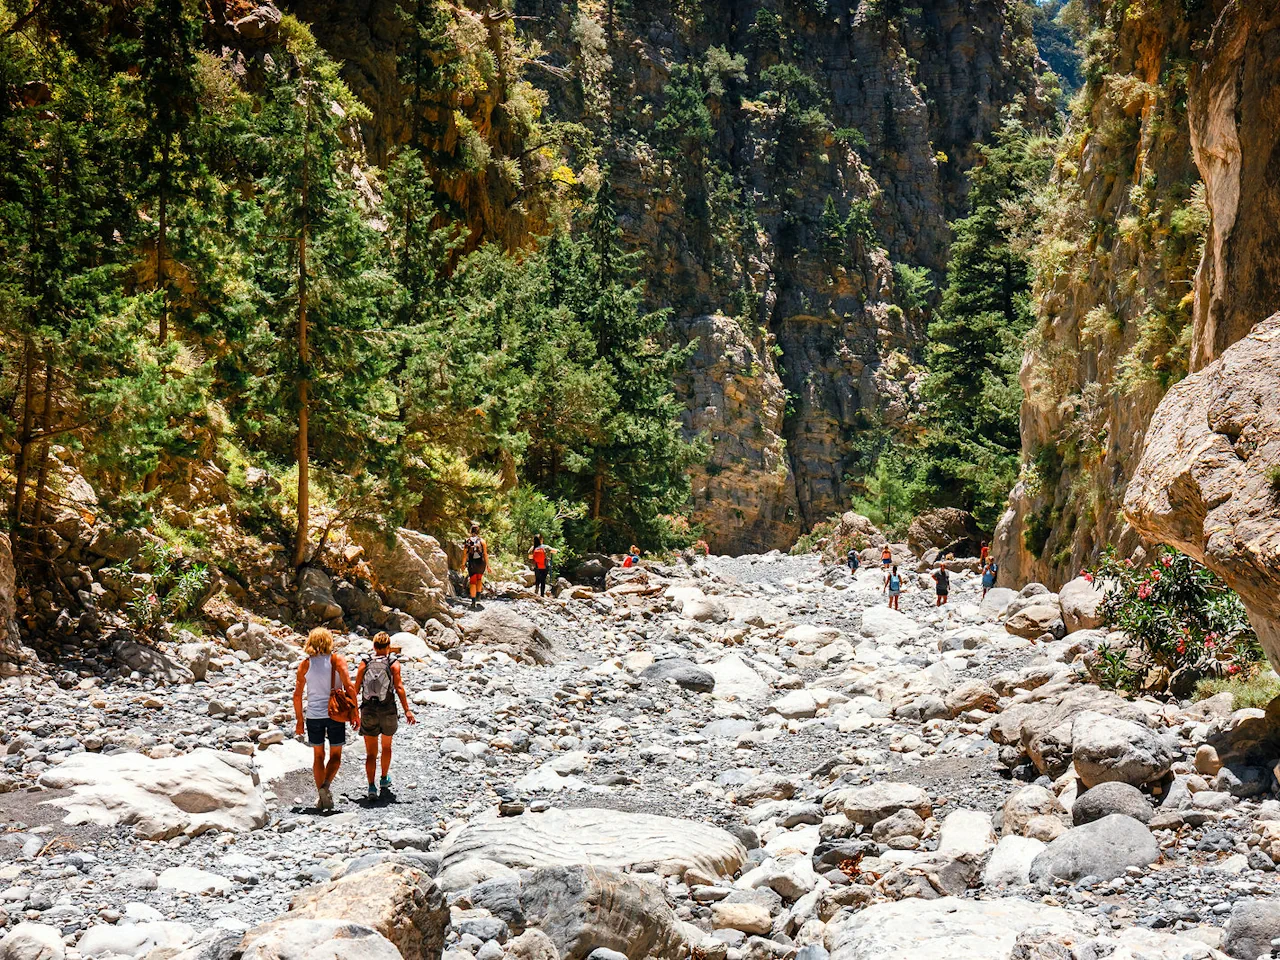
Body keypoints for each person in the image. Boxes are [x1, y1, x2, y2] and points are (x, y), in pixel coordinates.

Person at [293, 627, 359, 811]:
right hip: (335, 714)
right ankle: (325, 787)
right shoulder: (336, 659)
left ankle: (320, 797)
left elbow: (297, 695)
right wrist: (355, 713)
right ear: (329, 641)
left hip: (313, 716)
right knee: (336, 755)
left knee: (318, 756)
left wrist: (299, 721)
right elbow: (349, 687)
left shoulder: (305, 664)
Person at [354, 632, 416, 799]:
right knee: (387, 747)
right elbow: (400, 687)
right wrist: (407, 710)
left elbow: (355, 687)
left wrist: (353, 712)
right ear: (388, 647)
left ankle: (371, 787)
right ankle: (383, 778)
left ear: (374, 646)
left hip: (368, 710)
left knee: (370, 753)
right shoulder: (393, 663)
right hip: (388, 709)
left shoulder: (365, 662)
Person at [464, 522, 488, 608]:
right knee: (479, 578)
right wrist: (488, 566)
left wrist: (462, 565)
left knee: (473, 581)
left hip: (472, 563)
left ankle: (473, 601)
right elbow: (485, 554)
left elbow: (465, 555)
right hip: (481, 563)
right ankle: (478, 594)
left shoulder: (468, 541)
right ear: (478, 532)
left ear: (470, 531)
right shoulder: (482, 541)